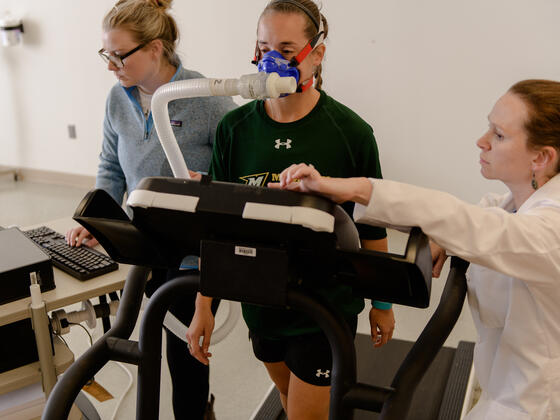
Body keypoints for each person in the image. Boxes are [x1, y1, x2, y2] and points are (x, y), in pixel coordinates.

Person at [271, 79, 560, 420]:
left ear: (541, 157)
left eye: (498, 135)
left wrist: (352, 189)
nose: (481, 141)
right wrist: (446, 236)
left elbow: (477, 225)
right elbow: (482, 216)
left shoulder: (551, 230)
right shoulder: (517, 205)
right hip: (507, 390)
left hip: (533, 406)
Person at [186, 1, 394, 418]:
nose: (270, 61)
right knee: (287, 396)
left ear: (316, 53)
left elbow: (371, 227)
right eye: (263, 47)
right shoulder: (235, 129)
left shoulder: (350, 133)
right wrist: (202, 306)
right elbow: (221, 227)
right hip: (261, 303)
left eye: (285, 48)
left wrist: (383, 304)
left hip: (325, 306)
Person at [65, 0, 236, 418]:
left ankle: (196, 413)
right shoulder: (117, 99)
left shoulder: (205, 99)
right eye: (106, 54)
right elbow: (110, 164)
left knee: (184, 354)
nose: (111, 66)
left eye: (119, 56)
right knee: (146, 343)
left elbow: (233, 175)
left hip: (193, 246)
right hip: (145, 238)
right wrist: (99, 219)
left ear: (156, 48)